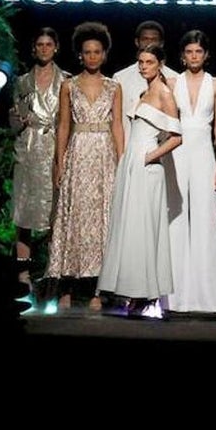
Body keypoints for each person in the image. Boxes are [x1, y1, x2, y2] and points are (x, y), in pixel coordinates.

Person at [98, 42, 182, 318]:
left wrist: (150, 156)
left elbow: (177, 137)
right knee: (131, 228)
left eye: (149, 62)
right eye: (141, 62)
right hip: (131, 165)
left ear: (160, 64)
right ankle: (133, 292)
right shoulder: (144, 92)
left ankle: (147, 294)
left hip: (147, 167)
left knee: (146, 229)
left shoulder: (165, 94)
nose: (144, 66)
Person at [45, 21, 124, 312]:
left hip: (104, 155)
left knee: (103, 220)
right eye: (87, 52)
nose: (92, 56)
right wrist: (59, 161)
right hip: (78, 153)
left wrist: (123, 161)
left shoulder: (115, 87)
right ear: (80, 54)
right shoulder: (69, 85)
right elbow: (63, 125)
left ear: (104, 54)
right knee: (74, 217)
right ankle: (67, 286)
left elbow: (117, 125)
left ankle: (98, 290)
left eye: (97, 52)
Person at [166, 30, 216, 314]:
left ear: (206, 54)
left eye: (199, 51)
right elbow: (167, 122)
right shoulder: (171, 82)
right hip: (178, 151)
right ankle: (174, 296)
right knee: (176, 219)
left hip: (205, 151)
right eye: (189, 52)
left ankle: (211, 296)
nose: (194, 56)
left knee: (207, 218)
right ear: (182, 55)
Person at [8, 28, 71, 300]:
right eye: (39, 44)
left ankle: (52, 276)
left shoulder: (66, 81)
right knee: (23, 215)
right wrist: (18, 122)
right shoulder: (22, 82)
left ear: (56, 48)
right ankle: (22, 277)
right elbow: (12, 120)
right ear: (34, 48)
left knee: (56, 216)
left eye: (49, 44)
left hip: (55, 151)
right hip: (28, 150)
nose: (44, 49)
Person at [114, 20, 179, 142]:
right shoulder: (121, 78)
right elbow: (117, 120)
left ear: (162, 43)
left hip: (163, 150)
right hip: (129, 145)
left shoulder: (175, 78)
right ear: (137, 42)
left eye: (154, 39)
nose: (149, 43)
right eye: (145, 39)